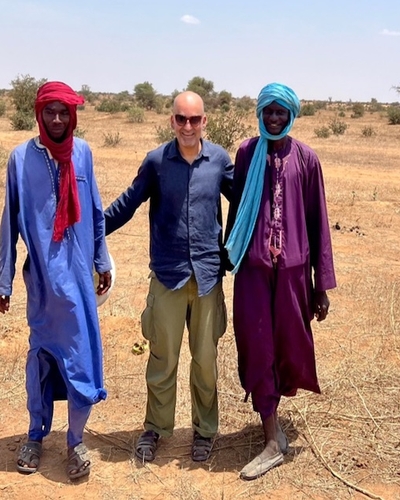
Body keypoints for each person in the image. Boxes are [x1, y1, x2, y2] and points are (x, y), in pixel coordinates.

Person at [105, 91, 233, 463]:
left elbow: (244, 203)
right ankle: (156, 429)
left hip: (208, 276)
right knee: (162, 360)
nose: (188, 126)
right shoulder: (157, 162)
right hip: (167, 275)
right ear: (171, 121)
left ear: (205, 121)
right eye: (181, 119)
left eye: (195, 120)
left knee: (205, 360)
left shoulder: (219, 161)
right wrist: (90, 233)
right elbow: (127, 204)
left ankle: (205, 431)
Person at [0, 81, 112, 480]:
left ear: (74, 115)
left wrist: (102, 259)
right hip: (43, 283)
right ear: (39, 113)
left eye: (65, 111)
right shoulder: (19, 159)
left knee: (81, 359)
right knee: (42, 360)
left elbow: (96, 211)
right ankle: (34, 436)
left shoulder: (82, 153)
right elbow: (9, 222)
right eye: (51, 111)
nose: (59, 119)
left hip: (80, 280)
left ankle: (75, 442)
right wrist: (4, 280)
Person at [225, 83, 336, 480]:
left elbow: (318, 221)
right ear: (259, 113)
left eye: (281, 112)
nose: (274, 118)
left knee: (288, 346)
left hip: (292, 275)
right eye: (268, 111)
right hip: (254, 271)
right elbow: (239, 207)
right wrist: (230, 253)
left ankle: (274, 428)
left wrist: (320, 285)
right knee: (257, 346)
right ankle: (272, 440)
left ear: (292, 115)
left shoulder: (306, 159)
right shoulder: (246, 153)